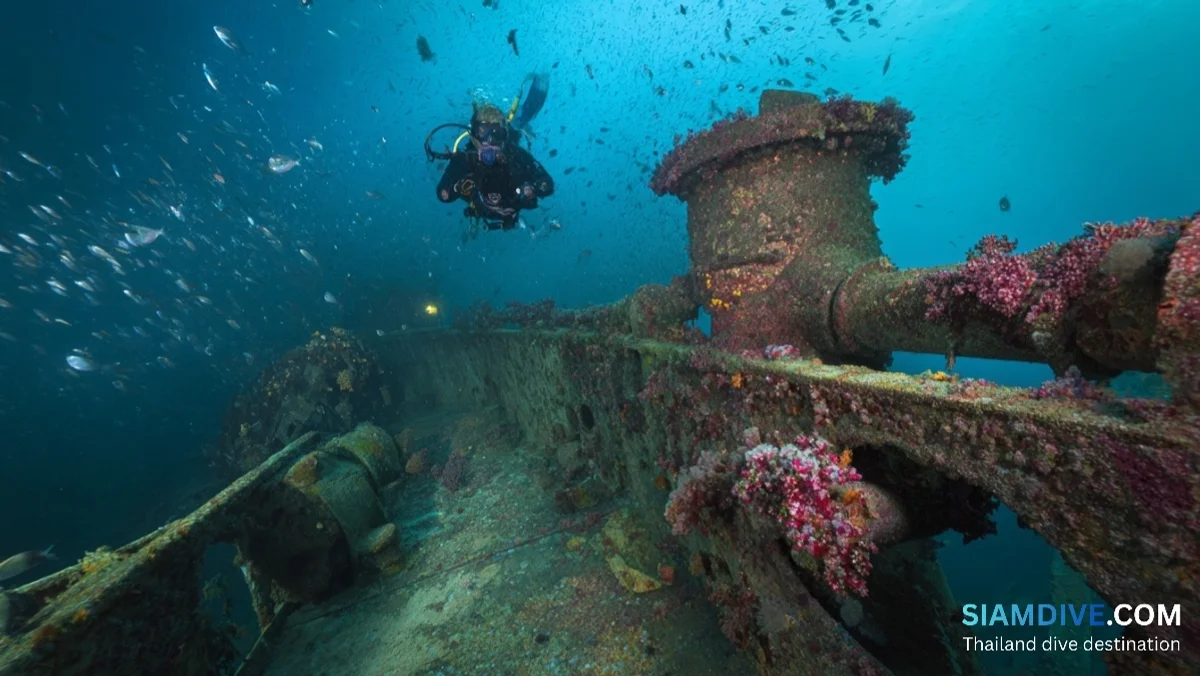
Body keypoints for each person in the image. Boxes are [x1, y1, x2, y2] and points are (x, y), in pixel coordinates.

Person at [435, 102, 554, 231]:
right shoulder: (464, 159)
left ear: (504, 138)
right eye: (483, 132)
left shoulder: (515, 155)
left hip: (510, 208)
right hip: (481, 209)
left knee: (517, 127)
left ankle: (520, 118)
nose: (490, 141)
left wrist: (532, 188)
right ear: (474, 136)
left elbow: (547, 184)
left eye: (497, 134)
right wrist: (459, 185)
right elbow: (443, 195)